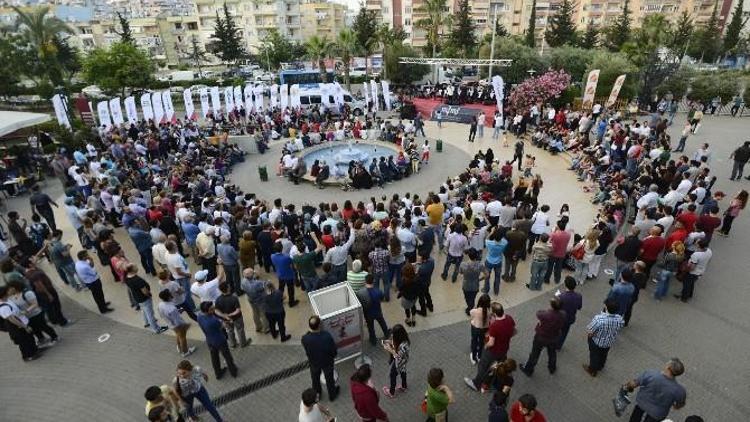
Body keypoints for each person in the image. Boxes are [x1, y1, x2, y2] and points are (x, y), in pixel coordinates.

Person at [465, 302, 516, 391]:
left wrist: (485, 346)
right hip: (504, 349)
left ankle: (476, 383)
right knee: (500, 364)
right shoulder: (509, 318)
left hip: (493, 351)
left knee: (483, 366)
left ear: (495, 313)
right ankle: (496, 379)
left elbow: (491, 343)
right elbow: (514, 331)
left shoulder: (495, 326)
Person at [519, 297, 566, 376]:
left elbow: (538, 313)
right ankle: (552, 368)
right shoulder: (563, 314)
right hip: (554, 337)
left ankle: (528, 369)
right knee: (552, 353)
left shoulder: (546, 314)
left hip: (541, 337)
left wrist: (549, 310)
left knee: (535, 353)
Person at [301, 315, 340, 402]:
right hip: (327, 362)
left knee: (315, 379)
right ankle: (332, 395)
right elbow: (333, 350)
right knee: (329, 379)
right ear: (319, 325)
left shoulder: (305, 338)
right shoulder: (326, 336)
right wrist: (333, 356)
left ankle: (317, 394)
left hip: (314, 362)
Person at [583, 298, 625, 377]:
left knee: (594, 356)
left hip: (596, 342)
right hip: (609, 342)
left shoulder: (599, 319)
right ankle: (600, 366)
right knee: (604, 354)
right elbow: (620, 325)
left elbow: (590, 330)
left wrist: (590, 336)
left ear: (606, 307)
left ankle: (592, 370)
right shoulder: (620, 319)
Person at [197, 301, 238, 379]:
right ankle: (233, 371)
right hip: (220, 340)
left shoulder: (199, 316)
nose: (213, 310)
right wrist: (227, 322)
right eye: (211, 309)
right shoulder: (213, 321)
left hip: (209, 340)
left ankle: (218, 373)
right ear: (206, 311)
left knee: (214, 358)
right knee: (227, 356)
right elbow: (223, 326)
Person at [0, 284, 42, 361]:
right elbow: (12, 319)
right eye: (7, 292)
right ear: (3, 295)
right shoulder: (3, 307)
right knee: (24, 341)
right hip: (17, 326)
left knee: (29, 338)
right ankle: (28, 356)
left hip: (22, 321)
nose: (9, 292)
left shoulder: (7, 300)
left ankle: (34, 351)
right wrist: (24, 326)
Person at [124, 264, 167, 334]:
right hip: (144, 299)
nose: (136, 266)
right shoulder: (137, 280)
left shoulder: (127, 278)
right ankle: (157, 329)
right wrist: (149, 295)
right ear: (132, 270)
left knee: (144, 310)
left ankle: (146, 322)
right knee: (150, 314)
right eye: (135, 266)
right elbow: (144, 291)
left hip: (137, 298)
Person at [157, 289, 196, 357]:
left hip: (170, 324)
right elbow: (177, 320)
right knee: (183, 337)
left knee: (178, 335)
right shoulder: (172, 309)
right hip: (177, 325)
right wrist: (184, 325)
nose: (172, 295)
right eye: (170, 295)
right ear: (169, 297)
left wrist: (178, 312)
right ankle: (185, 351)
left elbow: (162, 314)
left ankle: (179, 346)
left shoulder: (160, 304)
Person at [214, 282, 250, 348]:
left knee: (229, 331)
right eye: (229, 286)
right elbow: (238, 310)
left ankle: (232, 344)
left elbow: (216, 311)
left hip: (226, 319)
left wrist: (224, 316)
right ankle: (243, 343)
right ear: (228, 288)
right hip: (237, 318)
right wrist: (231, 314)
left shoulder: (218, 299)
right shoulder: (234, 298)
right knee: (240, 330)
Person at [382, 323, 410, 398]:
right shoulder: (404, 340)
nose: (392, 336)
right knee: (403, 371)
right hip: (404, 361)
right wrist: (389, 342)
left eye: (394, 335)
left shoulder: (403, 346)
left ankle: (391, 392)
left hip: (399, 361)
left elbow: (397, 356)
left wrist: (390, 349)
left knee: (393, 374)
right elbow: (396, 345)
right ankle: (404, 386)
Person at [361, 275, 390, 345]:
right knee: (382, 323)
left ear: (365, 281)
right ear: (373, 281)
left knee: (370, 327)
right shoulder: (378, 291)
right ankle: (387, 334)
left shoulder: (362, 293)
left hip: (368, 314)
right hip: (378, 312)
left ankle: (373, 340)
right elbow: (382, 298)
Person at [240, 268, 270, 333]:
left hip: (251, 299)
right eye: (253, 272)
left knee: (255, 313)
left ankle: (258, 327)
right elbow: (266, 284)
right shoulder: (257, 283)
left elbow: (243, 289)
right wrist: (258, 275)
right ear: (251, 275)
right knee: (263, 314)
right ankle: (266, 328)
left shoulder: (243, 281)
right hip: (260, 300)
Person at [556, 276, 582, 350]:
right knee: (564, 333)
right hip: (570, 318)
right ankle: (558, 346)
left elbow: (556, 307)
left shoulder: (561, 296)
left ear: (565, 285)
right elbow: (579, 307)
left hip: (560, 318)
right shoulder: (579, 296)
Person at [460, 249, 486, 315]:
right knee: (473, 297)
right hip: (475, 285)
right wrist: (480, 279)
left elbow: (460, 272)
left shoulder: (463, 264)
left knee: (467, 297)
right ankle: (471, 307)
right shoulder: (480, 265)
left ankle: (469, 307)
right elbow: (487, 274)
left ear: (469, 255)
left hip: (466, 284)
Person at [469, 293, 492, 365]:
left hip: (475, 328)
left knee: (474, 341)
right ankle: (479, 356)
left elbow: (470, 313)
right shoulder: (489, 312)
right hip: (484, 329)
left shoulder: (476, 311)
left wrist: (476, 307)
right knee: (482, 342)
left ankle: (473, 357)